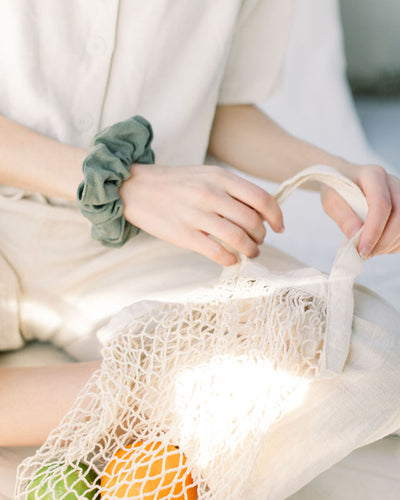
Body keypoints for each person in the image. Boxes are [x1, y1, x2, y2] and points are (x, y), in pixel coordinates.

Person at [0, 1, 399, 498]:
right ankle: (158, 407)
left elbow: (219, 110)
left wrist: (332, 173)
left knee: (367, 348)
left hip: (126, 244)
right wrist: (121, 185)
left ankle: (138, 427)